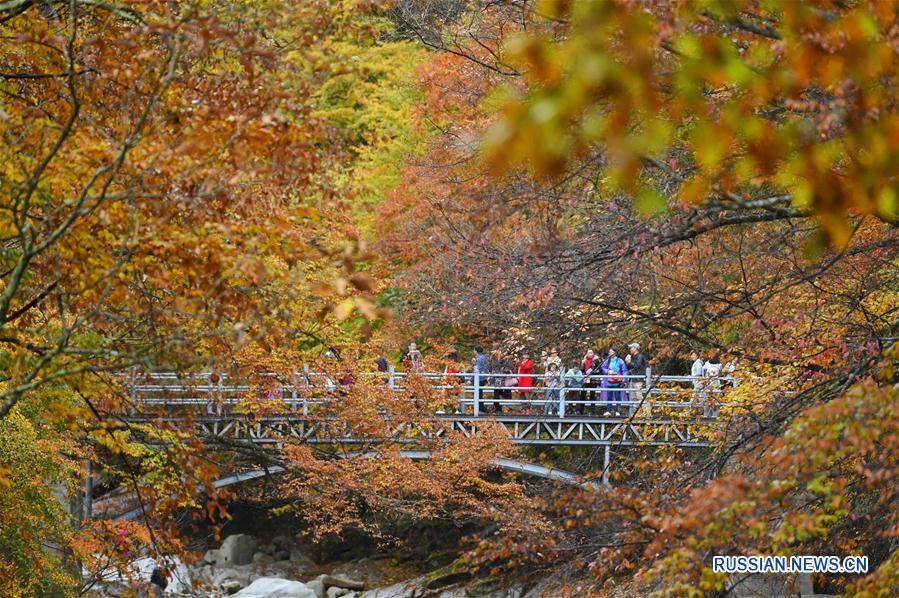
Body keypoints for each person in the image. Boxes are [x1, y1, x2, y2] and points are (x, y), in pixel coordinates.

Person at [600, 348, 628, 415]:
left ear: (615, 352)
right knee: (609, 396)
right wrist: (608, 371)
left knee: (617, 396)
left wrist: (624, 380)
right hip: (609, 380)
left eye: (611, 352)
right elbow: (603, 367)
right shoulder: (607, 360)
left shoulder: (620, 361)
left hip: (617, 380)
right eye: (609, 352)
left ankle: (618, 411)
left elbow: (624, 371)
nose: (610, 353)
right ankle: (609, 410)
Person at [625, 342, 648, 413]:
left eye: (631, 347)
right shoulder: (632, 356)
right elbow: (630, 367)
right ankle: (635, 413)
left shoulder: (640, 356)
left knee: (639, 395)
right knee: (632, 396)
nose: (630, 349)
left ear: (635, 348)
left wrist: (629, 362)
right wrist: (628, 362)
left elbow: (637, 366)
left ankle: (644, 412)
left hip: (638, 379)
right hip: (633, 378)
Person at [580, 348, 598, 413]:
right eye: (588, 352)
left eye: (591, 352)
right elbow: (581, 370)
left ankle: (592, 411)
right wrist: (582, 363)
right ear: (586, 354)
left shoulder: (596, 360)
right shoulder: (584, 360)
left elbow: (599, 370)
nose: (590, 354)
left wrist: (592, 371)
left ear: (593, 353)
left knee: (592, 395)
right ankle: (581, 411)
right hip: (585, 379)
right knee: (583, 394)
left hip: (593, 380)